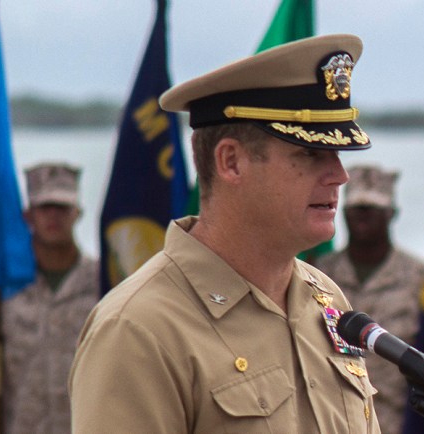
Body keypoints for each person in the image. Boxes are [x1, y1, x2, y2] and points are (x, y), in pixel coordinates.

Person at [68, 34, 381, 433]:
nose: (340, 175)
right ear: (231, 162)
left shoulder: (325, 299)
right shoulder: (137, 330)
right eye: (310, 153)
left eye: (339, 154)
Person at [316, 164, 424, 434]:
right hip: (330, 421)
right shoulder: (318, 273)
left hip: (395, 421)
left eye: (372, 209)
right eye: (355, 209)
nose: (362, 216)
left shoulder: (419, 278)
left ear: (392, 214)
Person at [1, 162, 98, 434]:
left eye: (62, 207)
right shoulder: (7, 290)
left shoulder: (104, 285)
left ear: (77, 213)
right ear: (29, 215)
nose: (53, 216)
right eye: (45, 208)